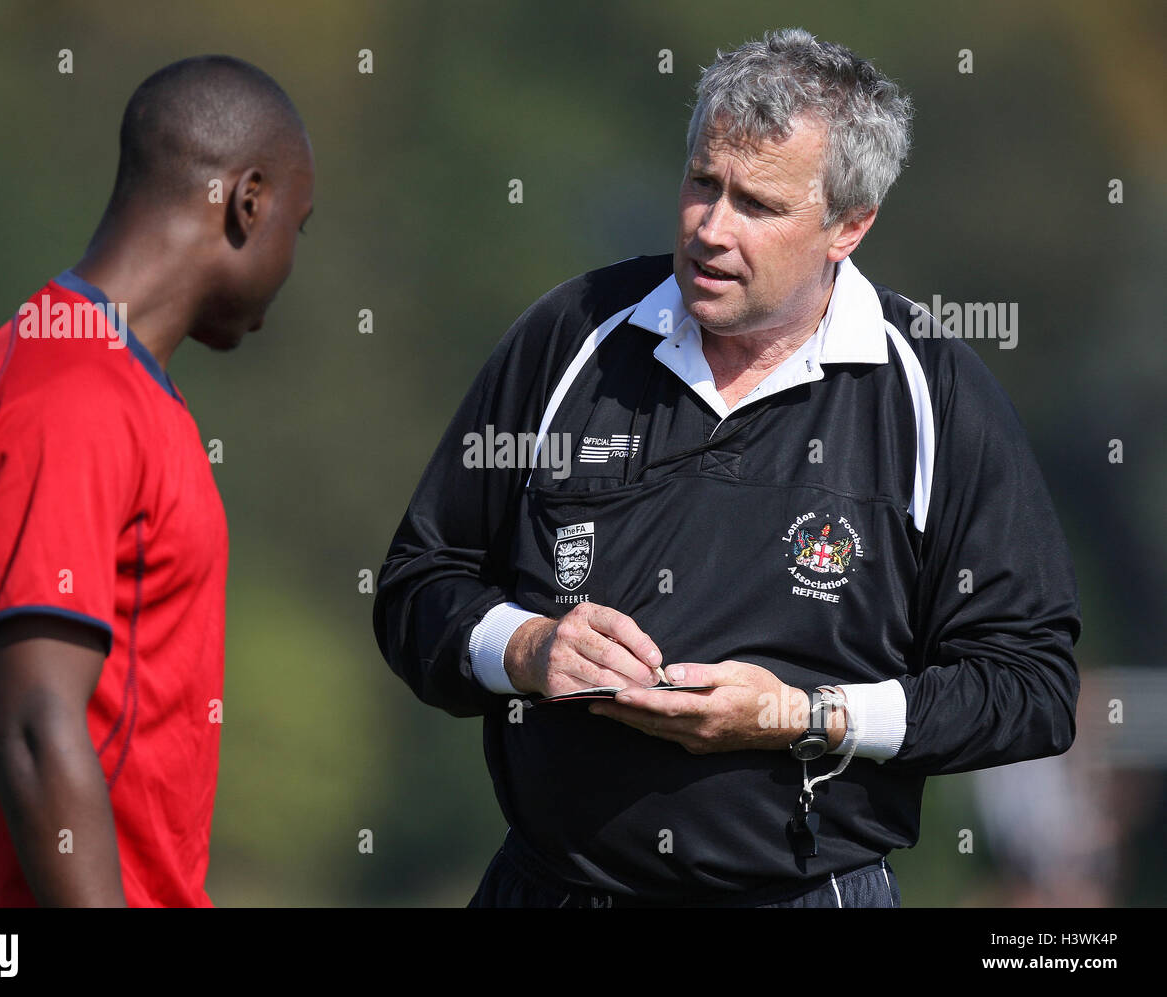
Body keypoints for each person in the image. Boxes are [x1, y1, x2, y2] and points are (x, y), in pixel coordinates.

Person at [373, 28, 1080, 908]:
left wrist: (802, 716)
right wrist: (525, 647)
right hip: (549, 884)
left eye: (757, 204)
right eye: (702, 184)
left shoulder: (931, 390)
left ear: (847, 227)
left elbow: (1030, 687)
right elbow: (415, 585)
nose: (711, 228)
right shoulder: (573, 334)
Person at [0, 55, 314, 907]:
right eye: (302, 221)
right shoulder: (72, 392)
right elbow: (35, 724)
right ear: (246, 201)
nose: (297, 255)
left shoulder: (109, 383)